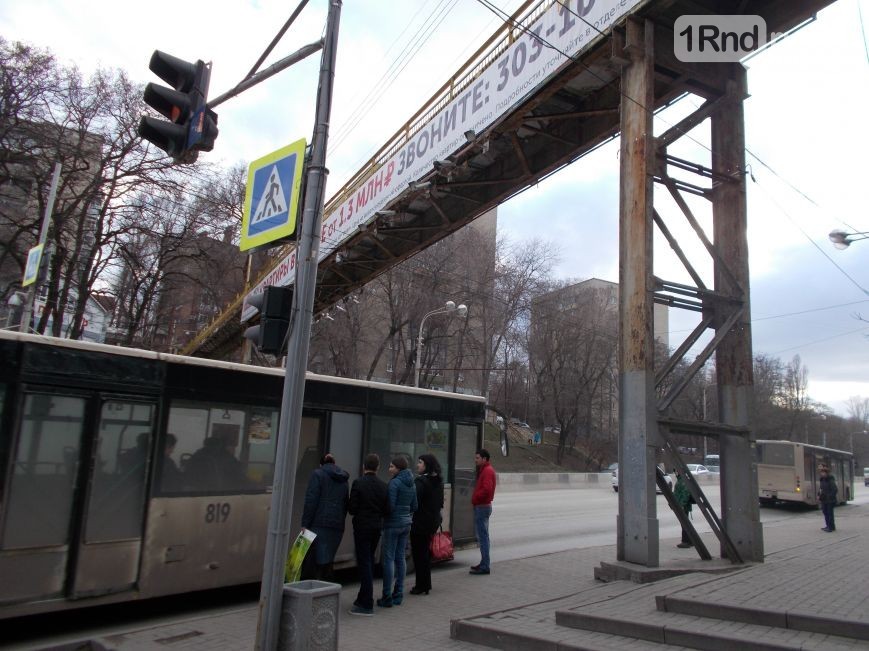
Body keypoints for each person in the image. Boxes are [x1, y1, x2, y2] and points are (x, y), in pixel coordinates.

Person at [347, 453, 389, 616]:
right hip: (376, 528)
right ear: (378, 467)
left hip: (362, 527)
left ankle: (366, 604)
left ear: (364, 467)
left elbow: (352, 509)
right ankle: (362, 597)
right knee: (369, 561)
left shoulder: (358, 483)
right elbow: (387, 510)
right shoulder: (383, 486)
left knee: (364, 562)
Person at [301, 453, 350, 581]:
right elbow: (345, 504)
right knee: (328, 562)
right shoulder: (344, 480)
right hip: (337, 526)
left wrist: (305, 524)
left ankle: (315, 590)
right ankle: (327, 591)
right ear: (334, 463)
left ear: (321, 464)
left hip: (318, 524)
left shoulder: (317, 474)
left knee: (314, 562)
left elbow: (311, 501)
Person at [378, 456, 417, 608]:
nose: (389, 469)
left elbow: (390, 507)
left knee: (388, 559)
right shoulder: (411, 483)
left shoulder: (394, 483)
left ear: (398, 469)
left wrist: (384, 514)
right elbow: (415, 506)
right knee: (400, 558)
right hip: (406, 524)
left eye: (392, 467)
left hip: (393, 524)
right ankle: (398, 594)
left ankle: (386, 596)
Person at [410, 453, 444, 596]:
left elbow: (414, 502)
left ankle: (421, 585)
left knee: (419, 554)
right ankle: (425, 584)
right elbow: (441, 503)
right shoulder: (438, 481)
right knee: (425, 554)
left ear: (426, 465)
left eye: (420, 462)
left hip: (420, 522)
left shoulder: (421, 482)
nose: (417, 465)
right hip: (432, 522)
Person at [470, 448, 496, 575]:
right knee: (483, 537)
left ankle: (485, 566)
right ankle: (484, 562)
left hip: (482, 507)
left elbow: (487, 489)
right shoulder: (485, 470)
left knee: (483, 538)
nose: (475, 460)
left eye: (477, 458)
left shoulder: (487, 471)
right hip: (483, 506)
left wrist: (475, 498)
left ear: (484, 459)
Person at [674, 471, 695, 548]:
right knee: (685, 523)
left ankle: (686, 541)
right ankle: (690, 540)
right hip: (681, 505)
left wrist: (682, 505)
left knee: (684, 524)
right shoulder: (680, 480)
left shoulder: (683, 481)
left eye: (676, 471)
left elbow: (685, 494)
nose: (675, 472)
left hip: (682, 506)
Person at [818, 464, 838, 532]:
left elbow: (835, 489)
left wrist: (829, 496)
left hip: (830, 500)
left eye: (823, 472)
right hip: (824, 499)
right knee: (825, 512)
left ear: (826, 473)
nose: (822, 474)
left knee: (830, 513)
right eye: (821, 473)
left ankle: (831, 527)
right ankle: (827, 526)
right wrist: (819, 494)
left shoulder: (830, 479)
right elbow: (821, 489)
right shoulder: (822, 479)